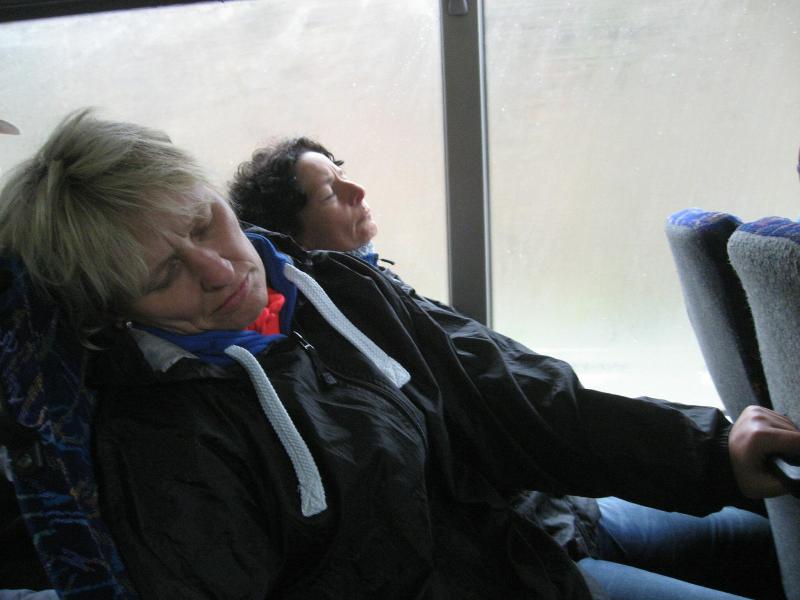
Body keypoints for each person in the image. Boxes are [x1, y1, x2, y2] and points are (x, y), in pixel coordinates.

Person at [2, 111, 799, 600]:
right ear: (115, 310)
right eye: (163, 275)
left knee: (778, 542)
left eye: (204, 223)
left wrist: (707, 454)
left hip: (527, 535)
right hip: (510, 576)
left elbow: (504, 395)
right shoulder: (165, 443)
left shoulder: (334, 287)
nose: (218, 270)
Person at [230, 137, 789, 599]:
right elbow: (520, 404)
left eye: (343, 173)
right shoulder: (340, 327)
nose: (358, 190)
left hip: (550, 510)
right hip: (512, 557)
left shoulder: (374, 290)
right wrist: (710, 452)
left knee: (763, 543)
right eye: (331, 192)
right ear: (290, 237)